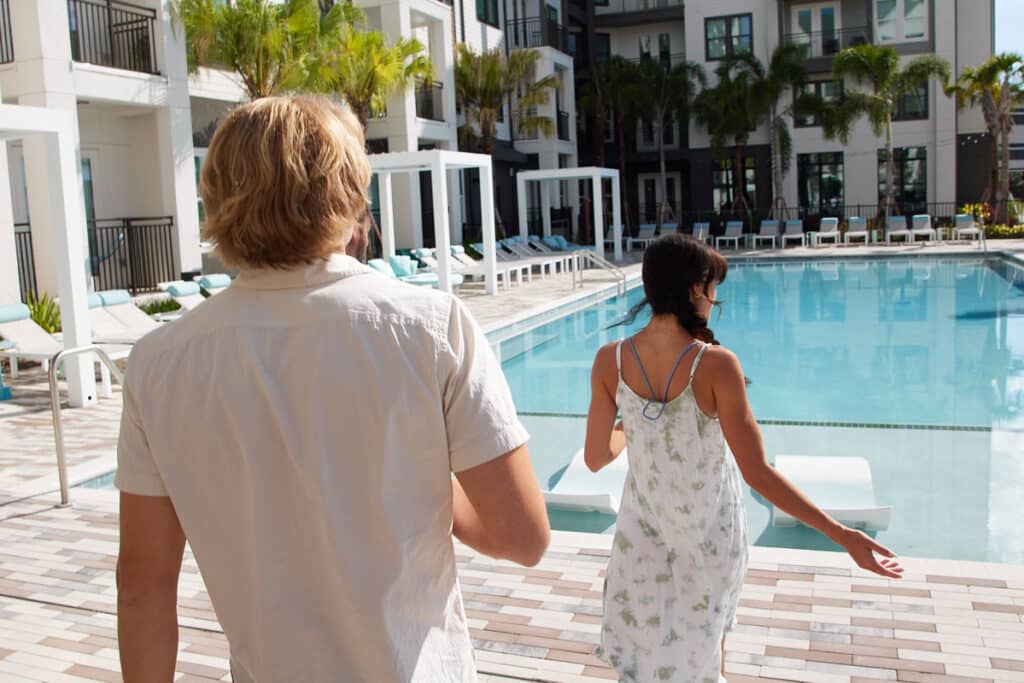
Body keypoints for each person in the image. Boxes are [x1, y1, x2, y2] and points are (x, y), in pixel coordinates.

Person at [115, 97, 550, 682]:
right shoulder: (429, 327)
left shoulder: (159, 363)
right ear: (347, 195)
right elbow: (522, 536)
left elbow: (144, 584)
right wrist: (424, 476)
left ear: (216, 198)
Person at [584, 234, 902, 682]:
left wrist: (633, 425)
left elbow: (596, 457)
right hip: (709, 540)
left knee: (644, 664)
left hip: (642, 542)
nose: (715, 302)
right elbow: (759, 474)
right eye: (714, 291)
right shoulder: (716, 365)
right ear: (696, 289)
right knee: (708, 655)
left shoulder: (609, 361)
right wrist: (841, 534)